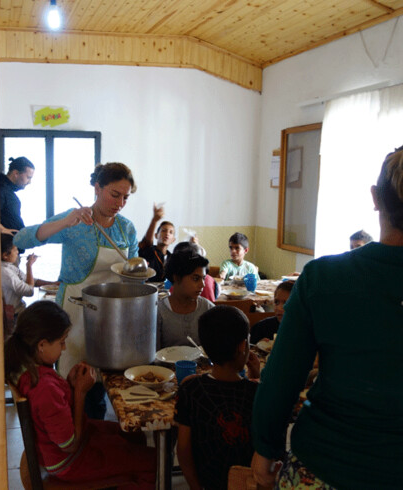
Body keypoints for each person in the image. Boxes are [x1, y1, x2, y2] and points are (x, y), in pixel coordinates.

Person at [251, 146, 403, 489]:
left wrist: (265, 447)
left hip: (326, 465)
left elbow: (282, 376)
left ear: (375, 197)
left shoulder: (324, 278)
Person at [4, 301, 156, 488]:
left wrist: (69, 384)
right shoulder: (44, 388)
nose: (65, 348)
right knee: (151, 462)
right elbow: (69, 445)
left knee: (133, 435)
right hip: (69, 462)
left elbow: (52, 412)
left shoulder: (30, 371)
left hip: (62, 451)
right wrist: (80, 393)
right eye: (61, 342)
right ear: (42, 345)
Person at [13, 162, 138, 380]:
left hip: (111, 316)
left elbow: (134, 271)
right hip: (74, 314)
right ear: (97, 188)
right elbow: (21, 238)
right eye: (115, 195)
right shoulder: (75, 219)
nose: (120, 204)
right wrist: (64, 223)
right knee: (71, 382)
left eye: (125, 198)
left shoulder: (126, 228)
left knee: (104, 381)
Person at [175, 306, 260, 490]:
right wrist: (256, 377)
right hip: (248, 484)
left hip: (207, 483)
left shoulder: (191, 389)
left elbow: (182, 449)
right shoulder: (257, 392)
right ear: (242, 346)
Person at [157, 250, 214, 348]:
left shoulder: (208, 309)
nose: (202, 284)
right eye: (196, 279)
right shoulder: (159, 312)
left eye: (203, 278)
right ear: (176, 278)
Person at [0, 234, 58, 318]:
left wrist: (53, 284)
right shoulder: (5, 272)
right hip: (13, 315)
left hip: (18, 311)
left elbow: (28, 279)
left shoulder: (9, 266)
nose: (18, 252)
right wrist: (29, 266)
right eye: (15, 249)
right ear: (5, 255)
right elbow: (29, 291)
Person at [138, 203, 175, 282]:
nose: (167, 234)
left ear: (173, 240)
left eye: (171, 232)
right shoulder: (149, 251)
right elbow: (147, 242)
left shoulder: (173, 259)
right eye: (163, 230)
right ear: (156, 235)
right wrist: (154, 220)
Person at [0, 156, 35, 233]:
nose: (29, 182)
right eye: (28, 177)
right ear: (16, 173)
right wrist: (3, 230)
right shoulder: (0, 189)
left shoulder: (7, 191)